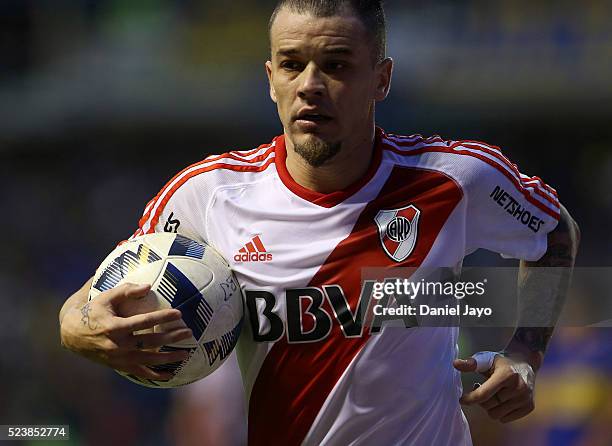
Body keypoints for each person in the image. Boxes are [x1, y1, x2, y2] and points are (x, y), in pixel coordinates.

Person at [58, 1, 580, 445]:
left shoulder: (455, 179)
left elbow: (555, 233)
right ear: (271, 80)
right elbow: (88, 304)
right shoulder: (207, 195)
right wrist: (83, 332)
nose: (310, 85)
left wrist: (526, 351)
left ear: (381, 79)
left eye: (336, 65)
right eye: (291, 64)